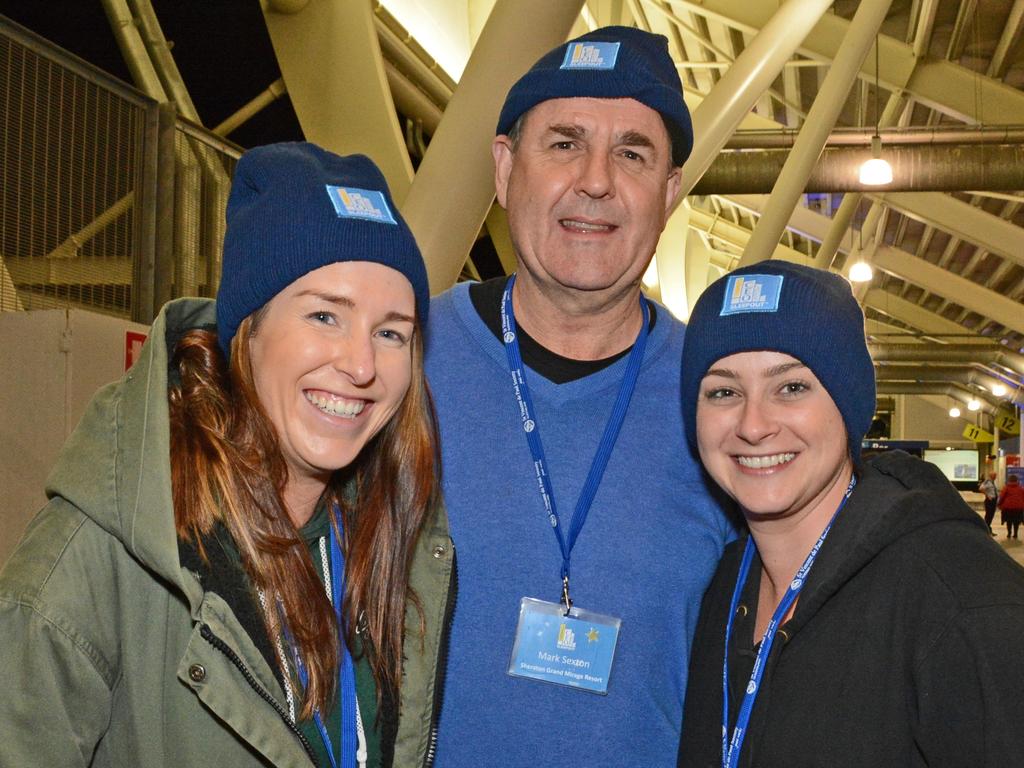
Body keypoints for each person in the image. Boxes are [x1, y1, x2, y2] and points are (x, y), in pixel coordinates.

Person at [0, 143, 453, 768]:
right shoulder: (98, 557)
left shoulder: (386, 536)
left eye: (391, 332)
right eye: (325, 315)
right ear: (249, 329)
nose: (361, 364)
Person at [424, 26, 734, 768]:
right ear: (504, 168)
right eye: (564, 143)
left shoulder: (724, 396)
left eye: (632, 153)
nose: (596, 180)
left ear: (668, 192)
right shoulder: (400, 360)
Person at [676, 261, 1024, 767]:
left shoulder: (962, 602)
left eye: (791, 387)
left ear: (849, 404)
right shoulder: (723, 585)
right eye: (723, 392)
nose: (753, 425)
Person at [999, 474, 1024, 539]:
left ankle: (1009, 533)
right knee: (1016, 521)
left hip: (1008, 508)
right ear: (1017, 480)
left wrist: (999, 504)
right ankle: (1015, 533)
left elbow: (1002, 497)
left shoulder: (1006, 488)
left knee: (1009, 521)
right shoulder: (1020, 488)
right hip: (1018, 508)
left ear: (1009, 480)